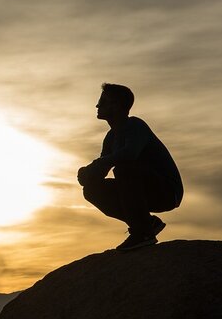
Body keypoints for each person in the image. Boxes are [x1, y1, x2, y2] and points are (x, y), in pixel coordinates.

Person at [77, 83, 183, 251]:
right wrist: (88, 174)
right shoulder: (110, 138)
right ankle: (147, 224)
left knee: (124, 169)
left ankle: (142, 232)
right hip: (139, 190)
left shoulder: (135, 125)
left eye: (103, 102)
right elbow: (102, 169)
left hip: (167, 192)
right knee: (91, 190)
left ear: (117, 105)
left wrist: (98, 164)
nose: (97, 106)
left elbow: (129, 154)